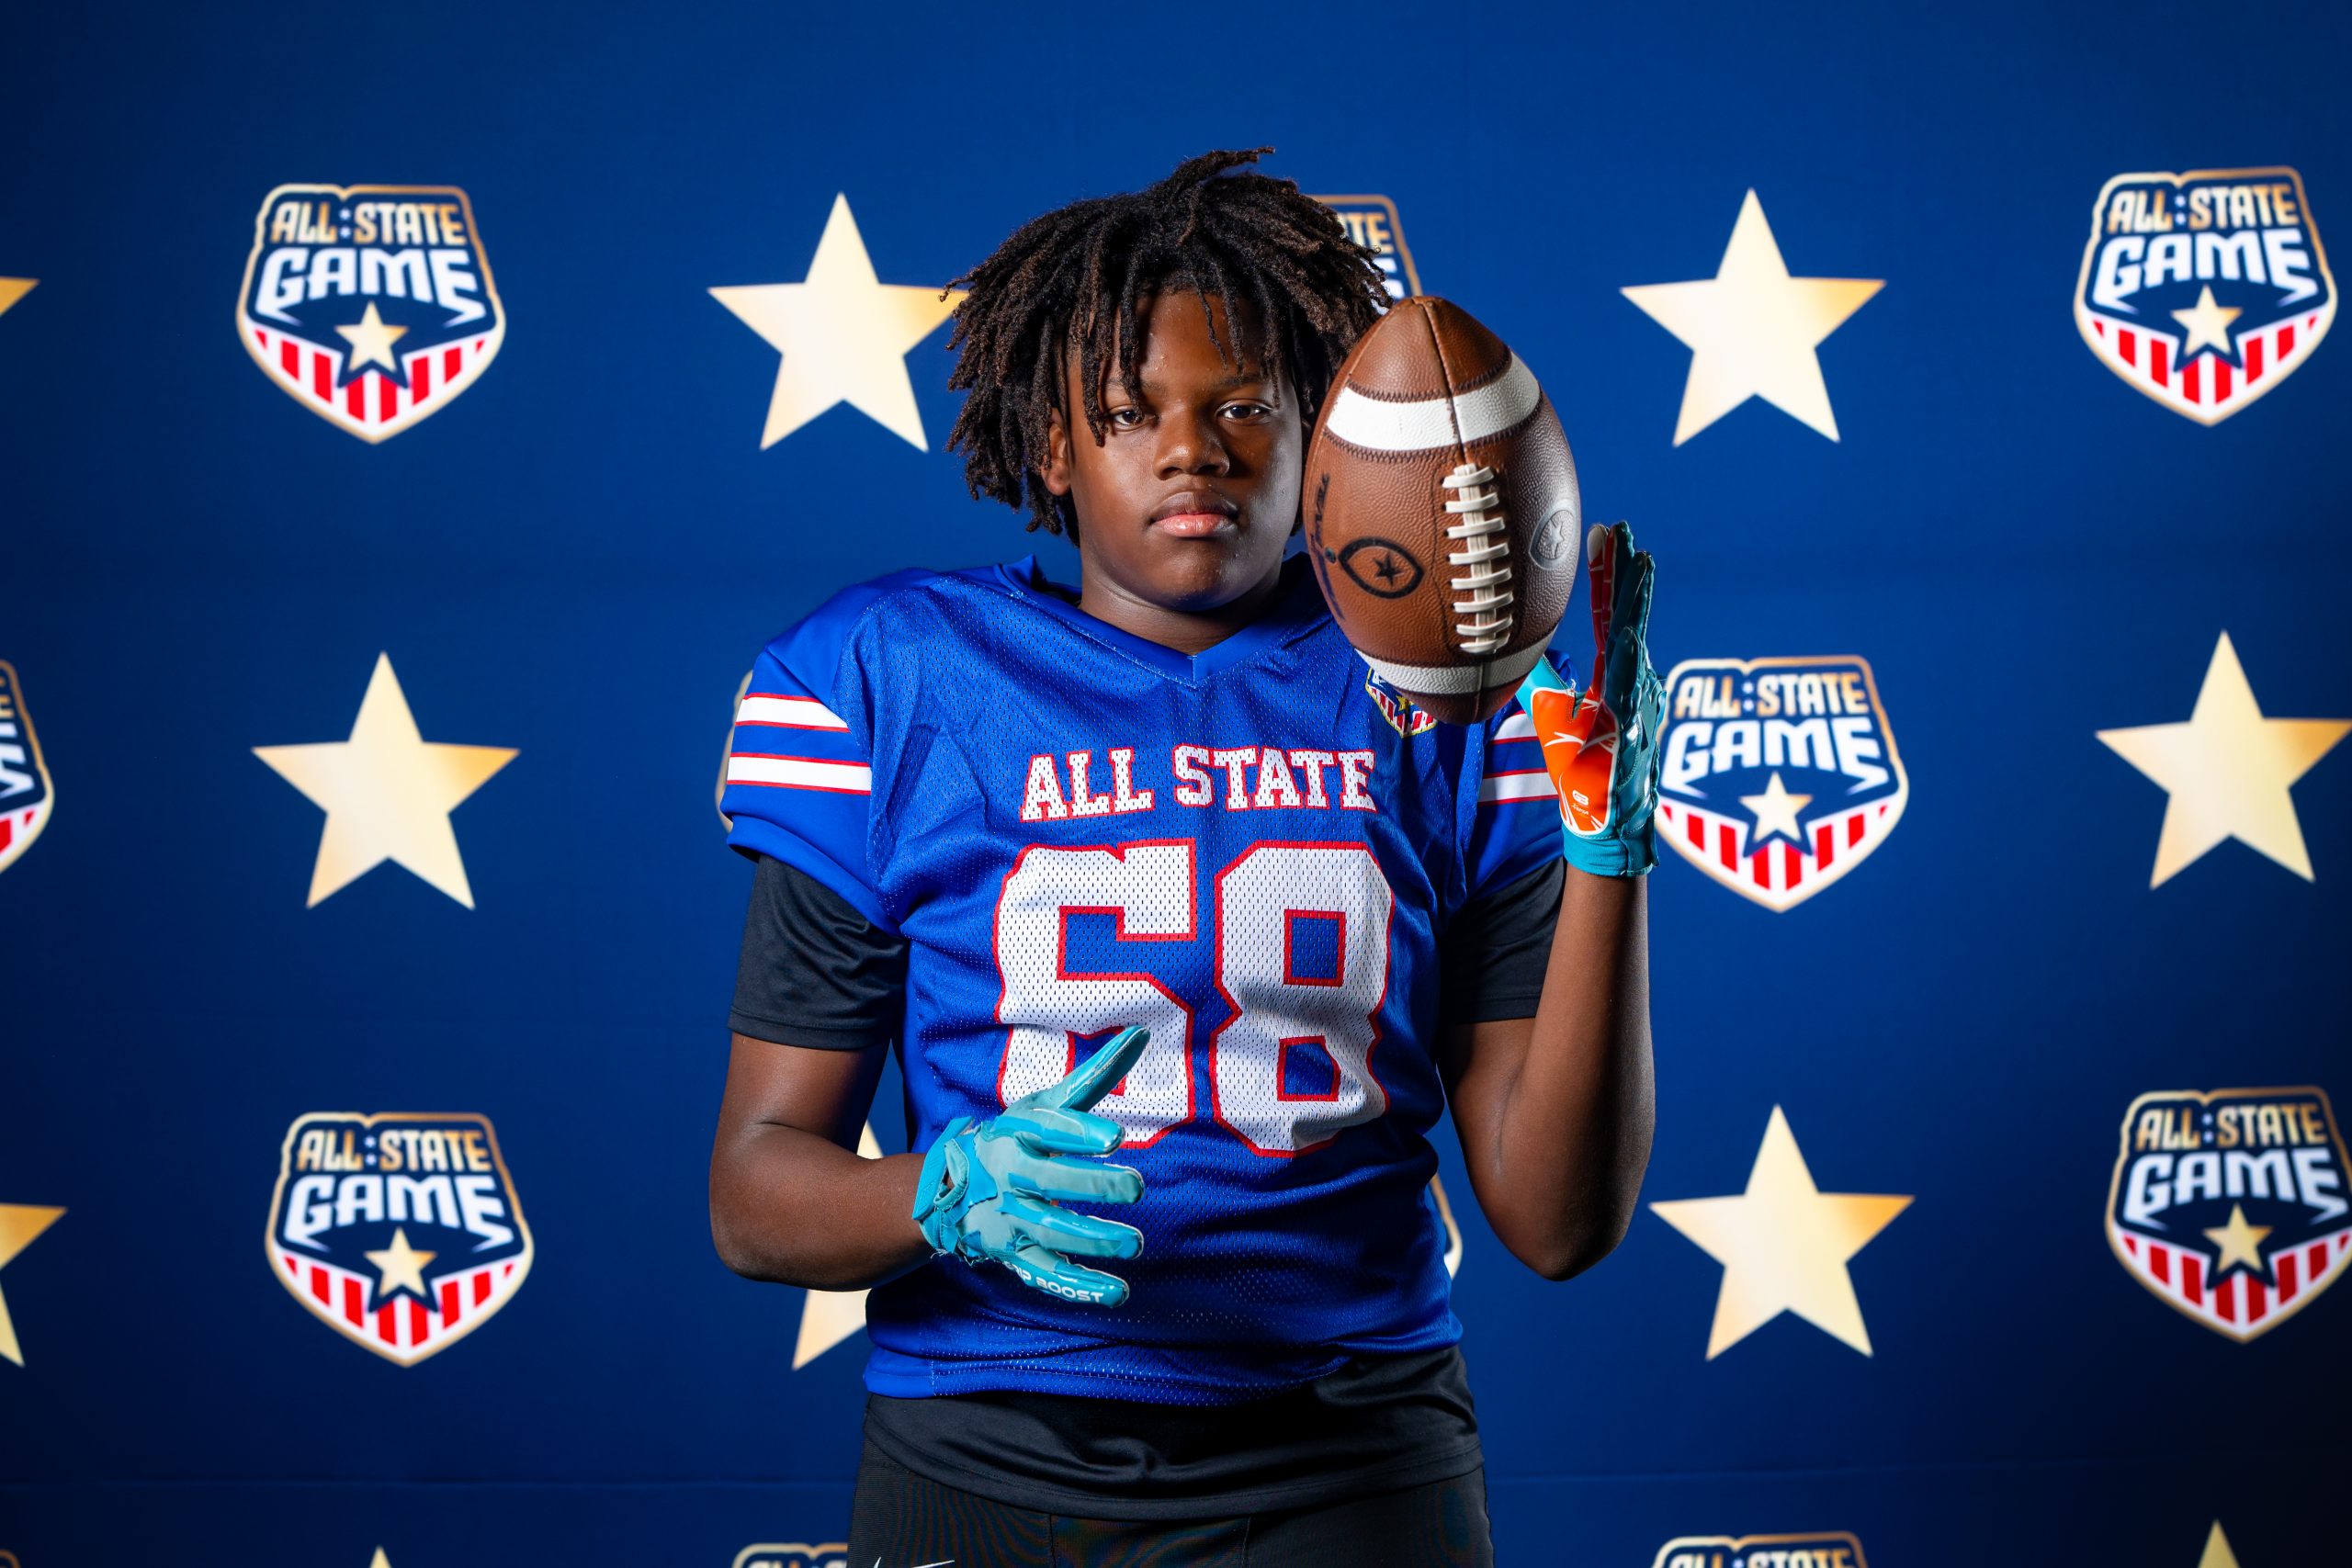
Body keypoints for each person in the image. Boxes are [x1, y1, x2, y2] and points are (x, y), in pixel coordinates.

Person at [707, 148, 1662, 1567]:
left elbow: (1556, 1222)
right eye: (1126, 410)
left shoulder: (1443, 695)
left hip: (1350, 1441)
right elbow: (753, 1193)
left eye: (1245, 406)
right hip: (987, 1433)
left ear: (1327, 441)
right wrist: (942, 1188)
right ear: (1052, 449)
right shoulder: (892, 680)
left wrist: (1608, 862)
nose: (1191, 449)